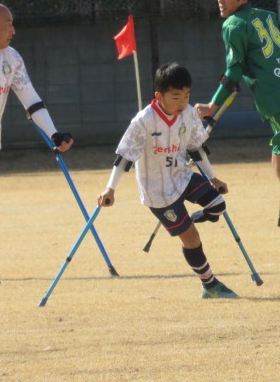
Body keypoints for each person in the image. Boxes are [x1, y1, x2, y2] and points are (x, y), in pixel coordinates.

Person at [194, 0, 280, 257]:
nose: (221, 0)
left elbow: (233, 71)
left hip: (279, 101)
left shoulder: (233, 25)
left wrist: (212, 106)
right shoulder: (271, 16)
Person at [98, 62, 238, 299]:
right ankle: (209, 284)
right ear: (159, 96)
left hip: (182, 177)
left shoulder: (189, 114)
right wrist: (110, 189)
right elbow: (124, 157)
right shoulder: (143, 121)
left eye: (186, 96)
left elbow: (197, 148)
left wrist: (213, 178)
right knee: (191, 238)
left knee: (217, 205)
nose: (182, 103)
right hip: (158, 192)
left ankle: (193, 217)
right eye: (175, 97)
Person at [0, 2, 73, 233]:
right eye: (8, 25)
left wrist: (54, 134)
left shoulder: (12, 58)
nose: (14, 31)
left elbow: (31, 99)